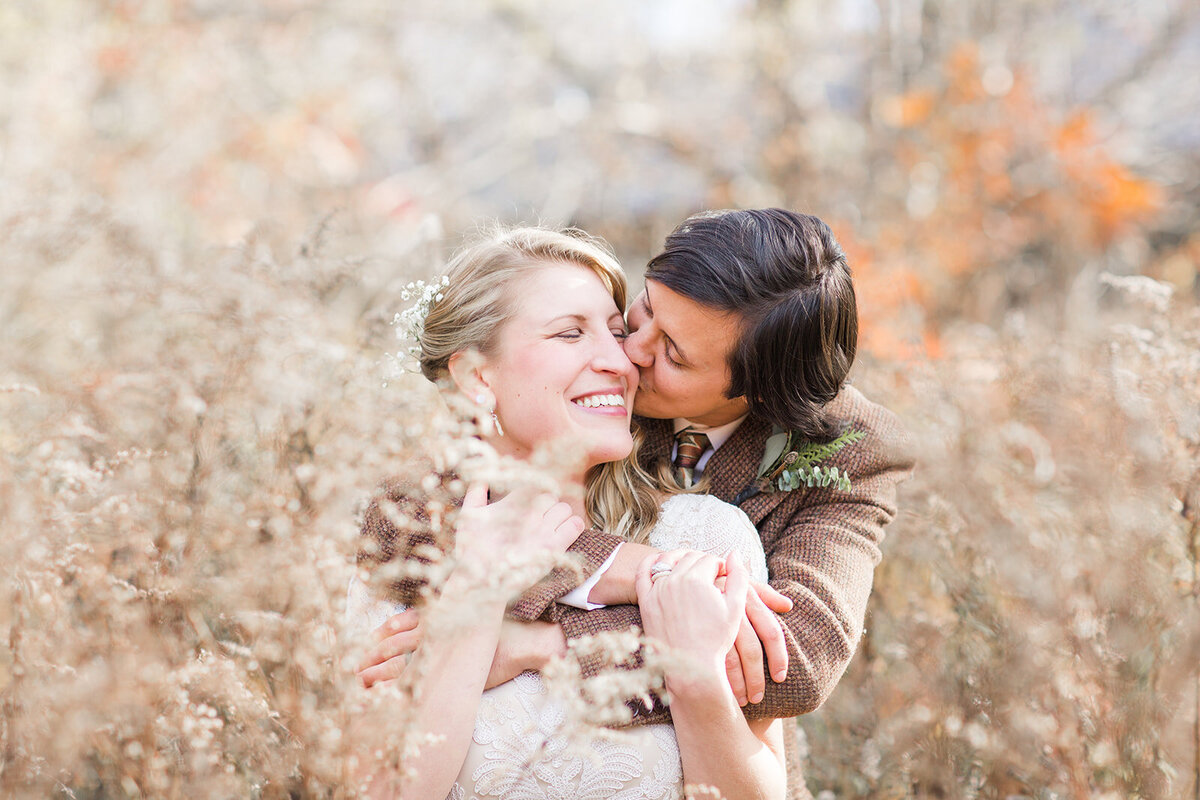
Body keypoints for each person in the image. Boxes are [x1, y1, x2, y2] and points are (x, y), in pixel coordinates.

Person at [350, 226, 788, 800]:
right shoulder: (401, 536)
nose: (620, 361)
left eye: (614, 330)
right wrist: (476, 603)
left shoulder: (707, 537)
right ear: (478, 375)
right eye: (569, 333)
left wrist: (690, 670)